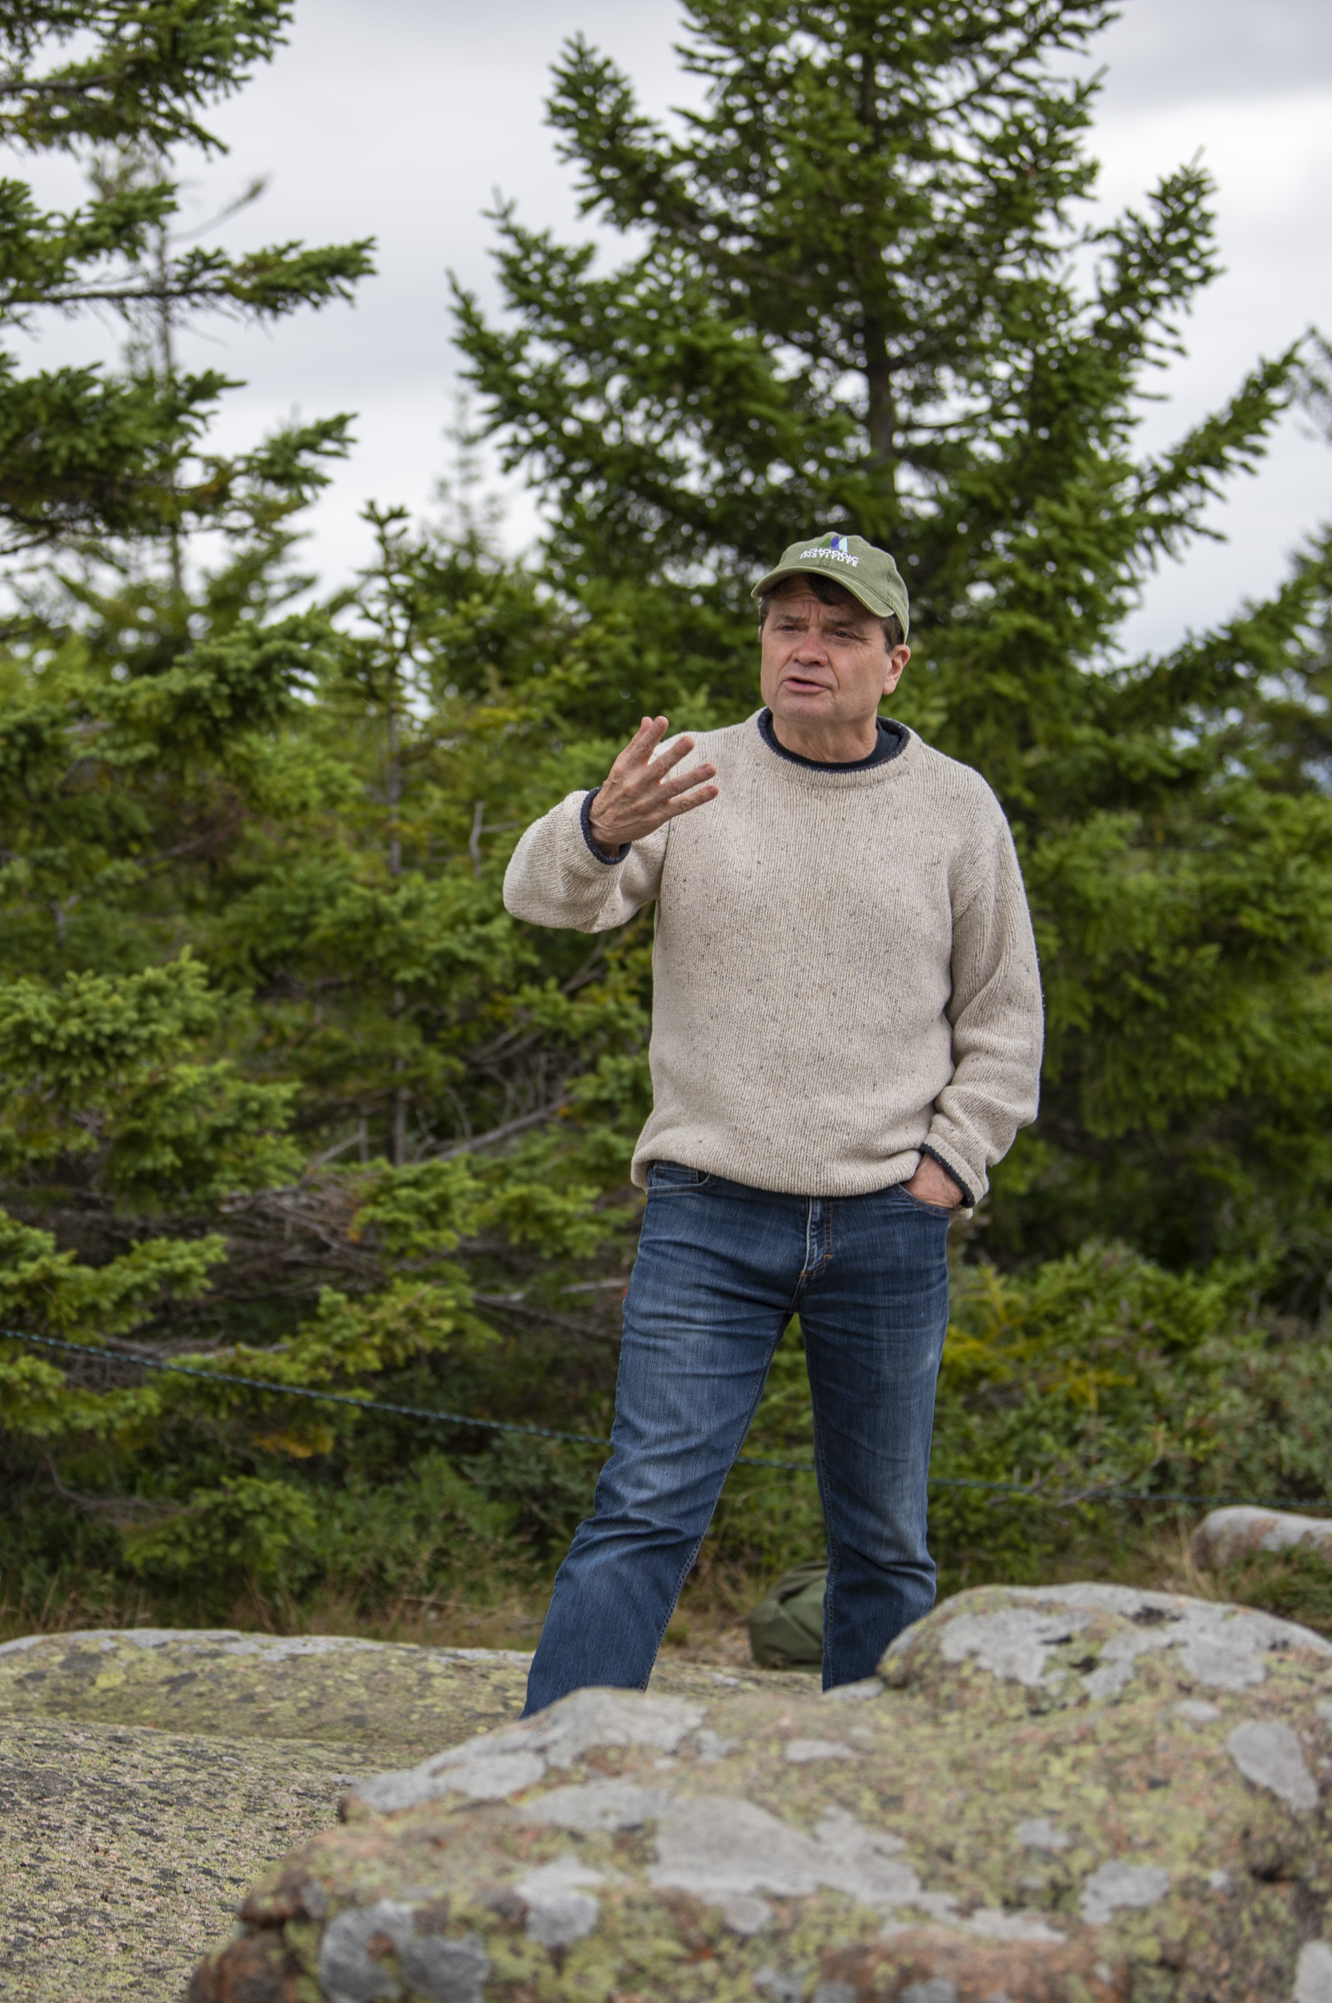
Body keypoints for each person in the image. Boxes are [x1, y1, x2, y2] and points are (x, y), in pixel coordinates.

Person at [502, 532, 1045, 1712]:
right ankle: (541, 1784)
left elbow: (1005, 1017)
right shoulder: (688, 775)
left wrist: (948, 1167)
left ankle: (866, 1798)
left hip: (888, 1226)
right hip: (709, 1213)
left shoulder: (956, 806)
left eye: (842, 631)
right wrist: (597, 823)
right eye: (788, 624)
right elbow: (544, 897)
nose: (809, 648)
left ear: (894, 662)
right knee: (643, 1507)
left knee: (886, 1541)